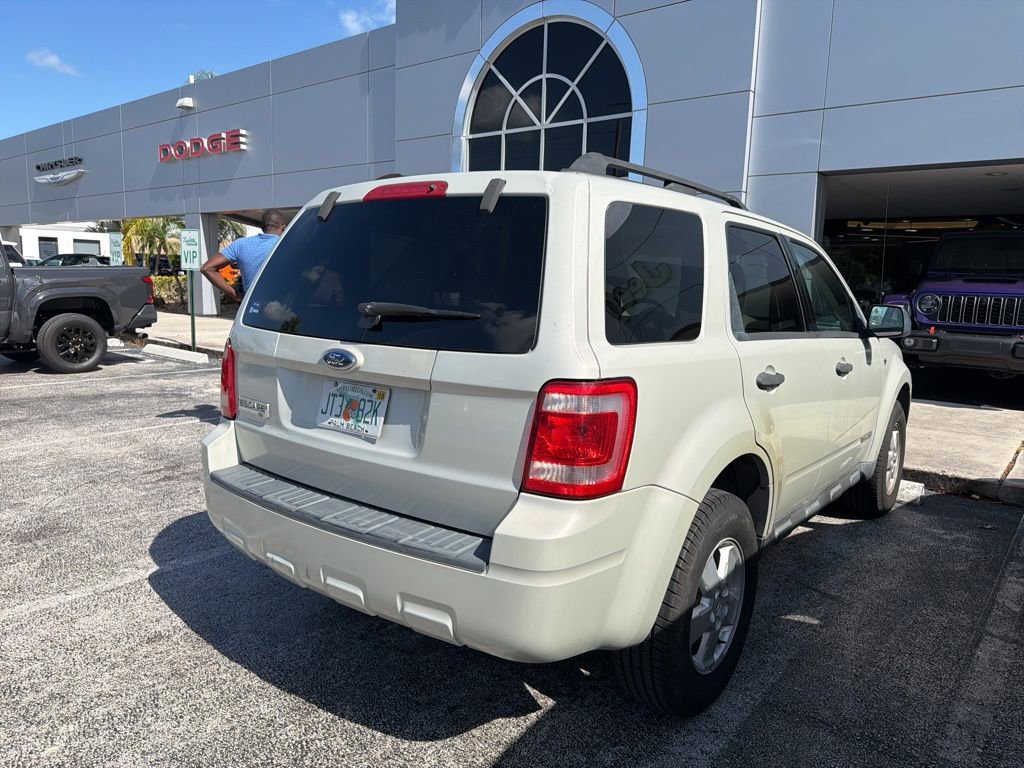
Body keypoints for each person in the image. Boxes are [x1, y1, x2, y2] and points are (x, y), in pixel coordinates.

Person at [200, 209, 286, 301]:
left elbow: (207, 268)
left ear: (262, 227)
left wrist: (236, 296)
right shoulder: (288, 244)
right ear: (283, 227)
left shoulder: (240, 244)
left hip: (251, 306)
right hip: (284, 305)